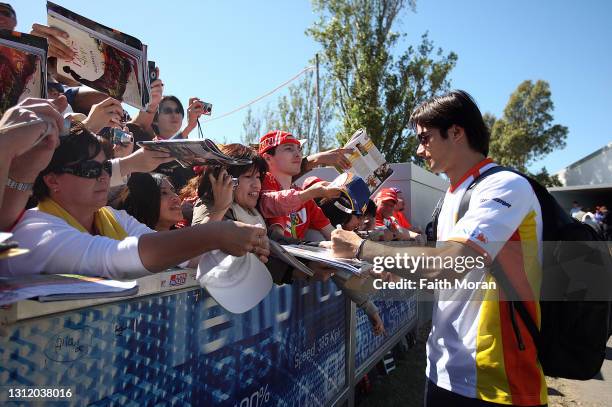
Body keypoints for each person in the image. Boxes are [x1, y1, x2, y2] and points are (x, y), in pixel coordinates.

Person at [331, 90, 548, 406]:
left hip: (498, 382)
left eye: (425, 138)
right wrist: (396, 270)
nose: (419, 150)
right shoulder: (453, 194)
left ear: (457, 132)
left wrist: (362, 248)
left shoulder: (503, 186)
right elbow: (451, 278)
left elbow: (451, 264)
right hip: (444, 370)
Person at [0, 124, 269, 279]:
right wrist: (216, 234)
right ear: (51, 179)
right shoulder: (34, 231)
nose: (104, 178)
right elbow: (118, 257)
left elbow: (183, 258)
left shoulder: (112, 218)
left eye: (107, 168)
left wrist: (242, 249)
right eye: (91, 171)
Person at [192, 143, 384, 335]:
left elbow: (275, 247)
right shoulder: (210, 206)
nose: (256, 185)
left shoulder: (255, 207)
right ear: (224, 179)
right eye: (247, 177)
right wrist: (219, 209)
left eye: (258, 177)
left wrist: (315, 256)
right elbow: (195, 251)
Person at [258, 130, 342, 240]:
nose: (298, 154)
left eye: (299, 149)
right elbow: (270, 203)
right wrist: (309, 193)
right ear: (268, 158)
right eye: (289, 149)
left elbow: (333, 234)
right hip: (275, 255)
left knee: (317, 237)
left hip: (293, 256)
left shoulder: (305, 199)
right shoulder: (262, 182)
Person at [112, 173, 183, 231]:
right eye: (163, 193)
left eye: (173, 191)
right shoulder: (135, 243)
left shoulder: (183, 238)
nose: (175, 197)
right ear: (144, 202)